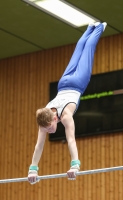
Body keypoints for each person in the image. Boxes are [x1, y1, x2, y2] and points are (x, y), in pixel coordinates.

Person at [28, 22, 107, 184]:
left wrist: (75, 165)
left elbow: (71, 140)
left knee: (87, 52)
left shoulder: (65, 116)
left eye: (49, 127)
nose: (49, 131)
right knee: (77, 53)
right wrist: (32, 169)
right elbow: (38, 146)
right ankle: (90, 28)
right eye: (48, 128)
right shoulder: (44, 117)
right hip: (62, 83)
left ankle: (100, 27)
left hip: (77, 83)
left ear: (54, 118)